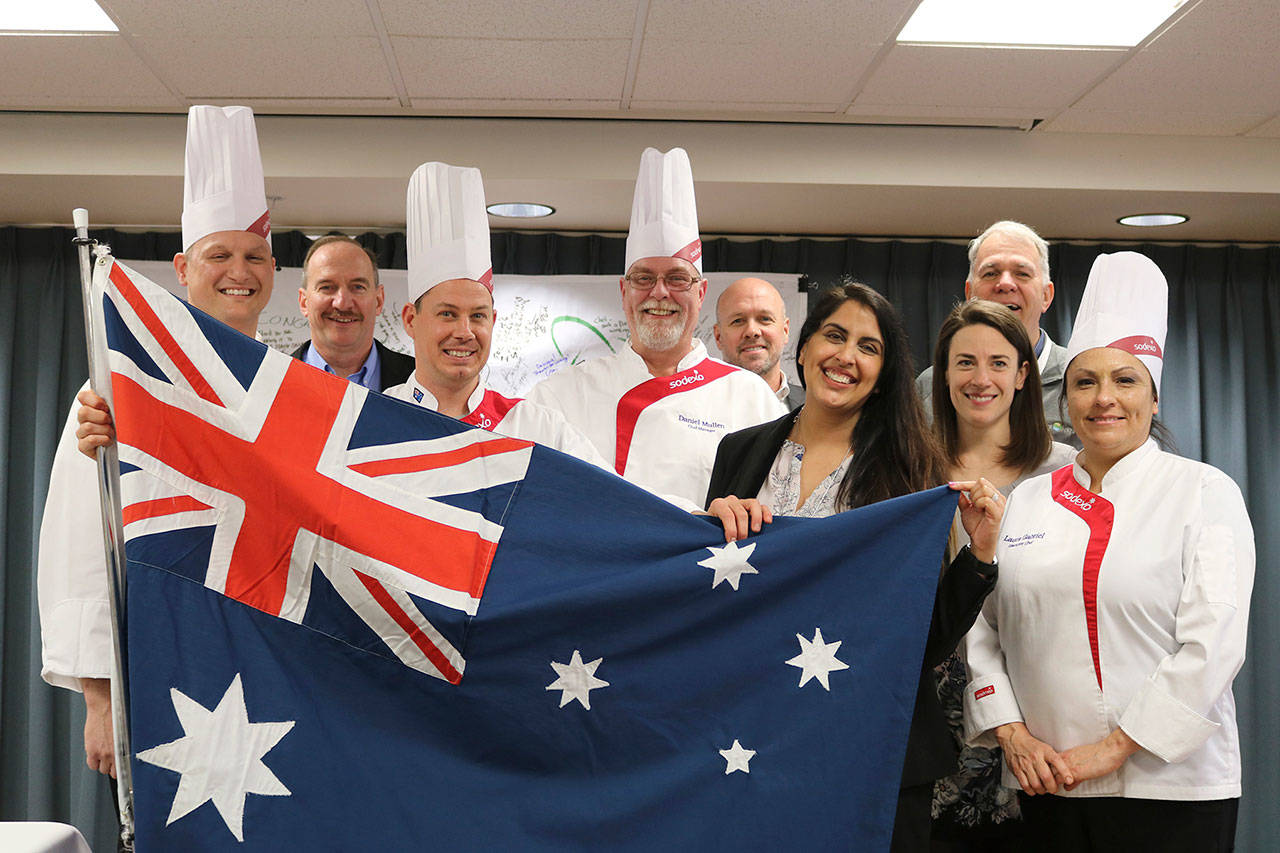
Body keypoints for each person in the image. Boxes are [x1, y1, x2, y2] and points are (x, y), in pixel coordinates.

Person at [962, 252, 1254, 852]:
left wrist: (1114, 749)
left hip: (1174, 788)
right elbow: (982, 628)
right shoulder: (1027, 500)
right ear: (1064, 400)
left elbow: (1212, 643)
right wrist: (1012, 733)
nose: (1104, 399)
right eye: (1085, 382)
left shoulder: (1203, 491)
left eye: (1125, 380)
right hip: (1049, 782)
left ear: (1154, 398)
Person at [704, 282, 1004, 852]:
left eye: (869, 347)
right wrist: (709, 525)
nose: (846, 357)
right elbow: (714, 596)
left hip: (870, 746)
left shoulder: (915, 469)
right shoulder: (738, 452)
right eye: (835, 336)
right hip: (752, 736)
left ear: (884, 371)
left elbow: (926, 638)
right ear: (803, 347)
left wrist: (979, 555)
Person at [38, 105, 273, 805]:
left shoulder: (287, 390)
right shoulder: (119, 382)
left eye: (255, 256)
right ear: (182, 267)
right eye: (219, 256)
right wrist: (99, 699)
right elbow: (82, 545)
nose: (239, 272)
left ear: (274, 267)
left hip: (274, 668)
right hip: (166, 664)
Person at [524, 148, 785, 507]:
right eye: (644, 277)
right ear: (624, 291)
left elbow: (782, 509)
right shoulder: (560, 396)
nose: (659, 292)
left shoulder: (751, 400)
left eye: (678, 278)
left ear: (701, 292)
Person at [926, 299, 1075, 848]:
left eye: (997, 362)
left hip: (1042, 711)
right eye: (964, 362)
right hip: (932, 715)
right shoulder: (912, 469)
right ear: (942, 374)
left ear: (1023, 373)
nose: (980, 378)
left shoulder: (1065, 471)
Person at [383, 162, 607, 468]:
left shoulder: (537, 429)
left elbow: (618, 496)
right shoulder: (376, 421)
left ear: (493, 321)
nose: (464, 331)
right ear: (411, 320)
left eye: (478, 316)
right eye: (447, 314)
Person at [917, 221, 1076, 445]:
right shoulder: (930, 385)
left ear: (1046, 296)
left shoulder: (1079, 379)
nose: (1005, 283)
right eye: (991, 273)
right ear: (970, 293)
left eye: (1022, 273)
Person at [292, 234, 414, 391]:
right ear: (304, 302)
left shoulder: (420, 382)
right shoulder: (269, 383)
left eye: (358, 287)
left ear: (378, 300)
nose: (342, 303)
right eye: (327, 287)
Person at [713, 276, 802, 409]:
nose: (752, 331)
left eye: (765, 319)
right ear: (718, 336)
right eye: (738, 321)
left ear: (785, 331)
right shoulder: (696, 406)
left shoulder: (814, 406)